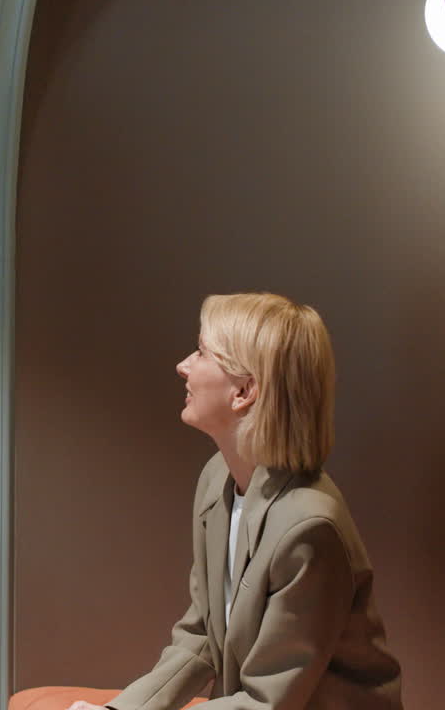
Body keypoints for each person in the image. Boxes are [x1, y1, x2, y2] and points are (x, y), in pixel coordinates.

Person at [70, 293, 402, 710]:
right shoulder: (217, 480)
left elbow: (269, 701)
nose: (183, 366)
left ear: (244, 391)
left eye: (201, 352)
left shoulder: (309, 526)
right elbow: (201, 636)